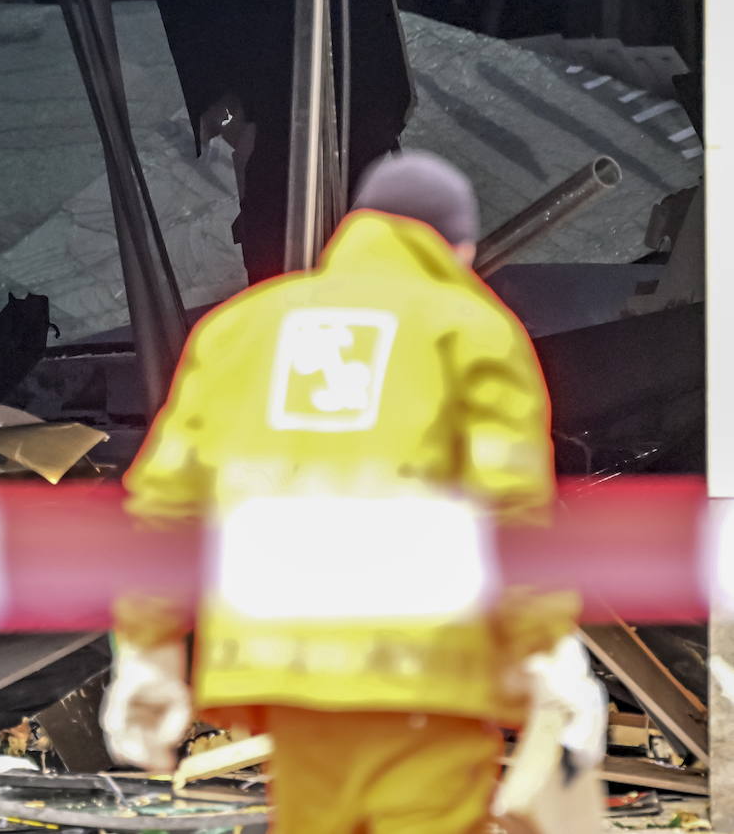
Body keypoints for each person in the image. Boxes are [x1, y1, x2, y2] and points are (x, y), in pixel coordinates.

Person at [101, 151, 605, 833]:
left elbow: (164, 509)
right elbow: (511, 507)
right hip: (422, 665)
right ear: (456, 247)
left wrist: (146, 653)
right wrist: (550, 652)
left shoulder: (237, 331)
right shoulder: (471, 329)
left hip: (282, 670)